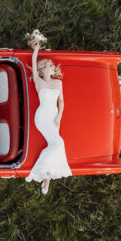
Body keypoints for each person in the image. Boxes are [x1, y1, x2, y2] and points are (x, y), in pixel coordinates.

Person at [25, 31, 72, 194]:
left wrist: (59, 116)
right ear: (43, 68)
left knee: (56, 144)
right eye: (50, 64)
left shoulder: (58, 83)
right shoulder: (38, 81)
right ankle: (43, 173)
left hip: (53, 115)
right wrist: (36, 48)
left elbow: (61, 101)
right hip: (42, 117)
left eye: (52, 65)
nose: (53, 66)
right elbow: (33, 60)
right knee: (59, 144)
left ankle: (47, 177)